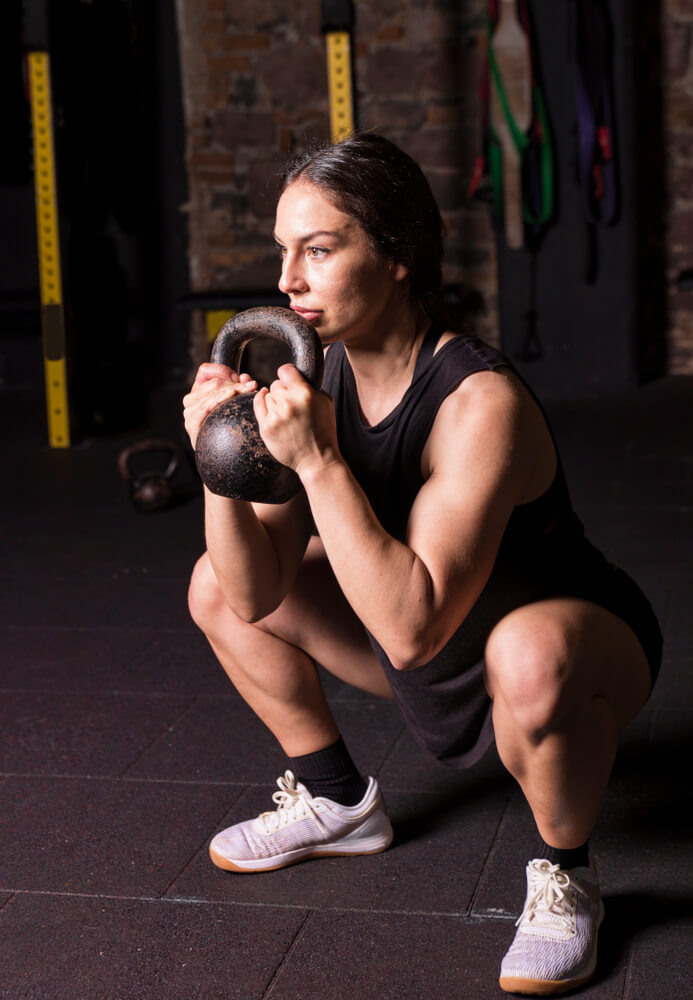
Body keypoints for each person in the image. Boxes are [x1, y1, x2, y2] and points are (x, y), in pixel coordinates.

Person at [182, 132, 662, 996]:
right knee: (214, 581)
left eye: (319, 251)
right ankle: (338, 802)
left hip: (564, 645)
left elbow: (410, 631)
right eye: (283, 252)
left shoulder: (478, 401)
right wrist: (219, 456)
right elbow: (253, 596)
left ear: (398, 256)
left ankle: (567, 877)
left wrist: (320, 463)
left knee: (527, 654)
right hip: (436, 648)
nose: (288, 281)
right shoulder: (311, 376)